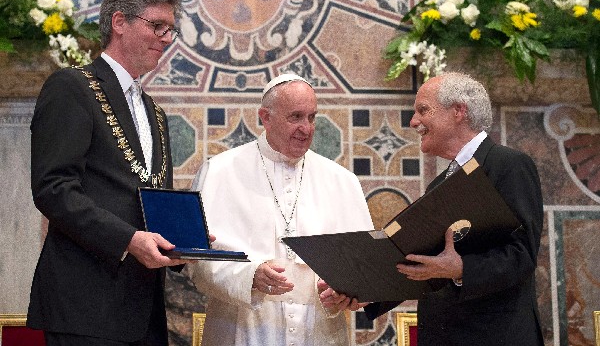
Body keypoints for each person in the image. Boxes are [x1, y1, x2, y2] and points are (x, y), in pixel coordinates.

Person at [27, 0, 190, 345]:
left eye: (171, 30)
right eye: (157, 26)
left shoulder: (155, 112)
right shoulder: (71, 87)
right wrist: (129, 239)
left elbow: (149, 198)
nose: (166, 38)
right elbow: (53, 190)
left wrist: (181, 240)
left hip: (144, 309)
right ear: (119, 23)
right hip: (85, 306)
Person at [185, 73, 374, 346]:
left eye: (311, 117)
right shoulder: (219, 172)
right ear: (265, 117)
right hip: (243, 330)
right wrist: (250, 276)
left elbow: (363, 264)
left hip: (319, 332)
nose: (306, 128)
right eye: (295, 117)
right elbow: (197, 262)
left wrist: (345, 290)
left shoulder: (342, 180)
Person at [364, 72, 544, 345]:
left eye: (423, 110)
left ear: (459, 110)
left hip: (494, 336)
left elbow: (522, 256)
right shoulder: (438, 184)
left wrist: (461, 268)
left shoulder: (508, 165)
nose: (414, 122)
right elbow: (420, 261)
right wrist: (364, 292)